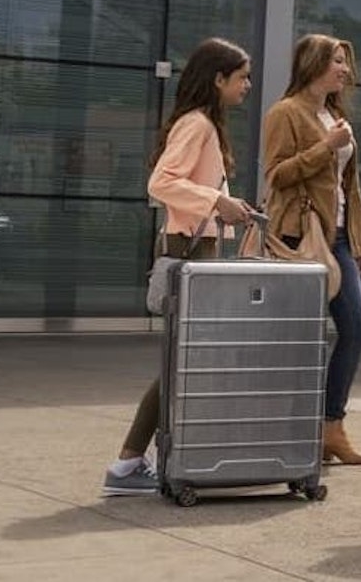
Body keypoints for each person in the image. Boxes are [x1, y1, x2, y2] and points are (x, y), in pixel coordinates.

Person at [104, 38, 256, 496]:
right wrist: (217, 201)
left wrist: (225, 205)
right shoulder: (198, 124)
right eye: (242, 77)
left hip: (197, 249)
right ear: (218, 79)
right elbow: (162, 182)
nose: (248, 85)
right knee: (179, 362)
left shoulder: (205, 124)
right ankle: (128, 463)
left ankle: (144, 460)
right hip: (190, 252)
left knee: (183, 361)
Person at [262, 34, 361, 465]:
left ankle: (330, 426)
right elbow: (277, 176)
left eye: (346, 62)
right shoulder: (285, 113)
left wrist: (360, 240)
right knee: (300, 339)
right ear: (314, 64)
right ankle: (297, 429)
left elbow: (351, 188)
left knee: (357, 327)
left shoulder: (335, 115)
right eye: (338, 61)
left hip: (340, 238)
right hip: (300, 236)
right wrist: (323, 148)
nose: (346, 70)